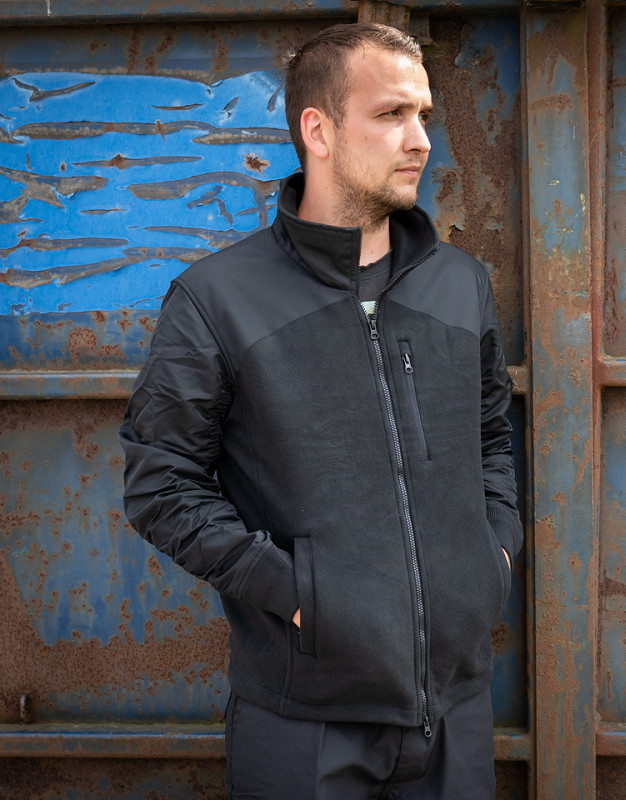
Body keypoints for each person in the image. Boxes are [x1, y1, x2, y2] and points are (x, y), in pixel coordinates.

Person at [119, 21, 522, 800]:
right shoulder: (217, 300)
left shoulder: (459, 284)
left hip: (456, 713)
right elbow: (160, 483)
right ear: (318, 130)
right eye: (391, 114)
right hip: (303, 722)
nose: (420, 141)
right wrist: (296, 593)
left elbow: (490, 438)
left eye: (424, 116)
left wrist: (491, 558)